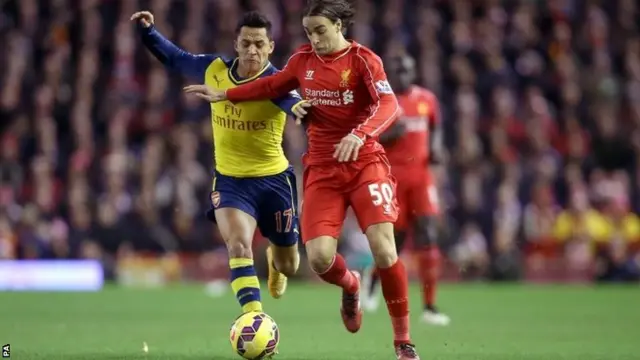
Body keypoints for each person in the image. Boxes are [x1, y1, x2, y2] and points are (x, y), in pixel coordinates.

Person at [184, 1, 420, 359]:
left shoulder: (363, 61)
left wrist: (360, 134)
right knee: (321, 259)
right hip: (323, 170)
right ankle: (350, 284)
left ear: (339, 25)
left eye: (321, 30)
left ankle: (403, 343)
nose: (314, 39)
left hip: (365, 162)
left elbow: (389, 106)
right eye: (309, 32)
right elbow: (270, 86)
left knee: (384, 248)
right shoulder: (301, 62)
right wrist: (225, 94)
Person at [131, 10, 310, 315]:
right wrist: (149, 32)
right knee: (239, 245)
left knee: (289, 264)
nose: (252, 50)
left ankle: (275, 262)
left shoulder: (277, 81)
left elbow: (292, 102)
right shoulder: (214, 68)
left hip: (274, 182)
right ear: (236, 44)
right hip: (231, 181)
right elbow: (176, 58)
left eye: (259, 44)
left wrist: (299, 108)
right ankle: (254, 319)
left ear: (270, 46)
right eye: (246, 43)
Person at [360, 54, 451, 326]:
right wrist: (390, 134)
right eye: (397, 72)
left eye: (407, 71)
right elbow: (367, 137)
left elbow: (437, 128)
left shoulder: (427, 99)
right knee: (394, 244)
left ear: (413, 73)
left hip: (421, 179)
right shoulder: (382, 103)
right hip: (392, 179)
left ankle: (430, 307)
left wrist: (436, 147)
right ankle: (373, 279)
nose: (402, 76)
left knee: (428, 235)